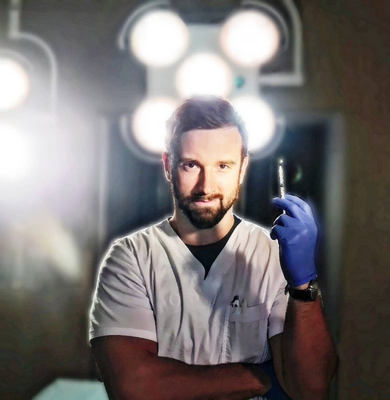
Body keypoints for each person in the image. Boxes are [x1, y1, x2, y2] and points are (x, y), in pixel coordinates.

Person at [89, 96, 338, 400]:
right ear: (168, 166)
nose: (206, 186)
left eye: (223, 166)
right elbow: (134, 388)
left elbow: (311, 388)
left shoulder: (271, 255)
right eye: (191, 165)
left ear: (242, 168)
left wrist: (302, 286)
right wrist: (263, 377)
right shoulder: (131, 257)